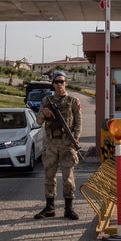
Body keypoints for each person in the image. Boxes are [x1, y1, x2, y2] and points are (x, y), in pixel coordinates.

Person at [34, 71, 82, 220]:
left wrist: (75, 139)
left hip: (67, 144)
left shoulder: (73, 101)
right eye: (57, 82)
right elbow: (38, 122)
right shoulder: (46, 101)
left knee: (68, 178)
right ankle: (49, 208)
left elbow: (78, 122)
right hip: (51, 145)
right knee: (49, 176)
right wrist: (44, 112)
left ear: (66, 83)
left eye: (62, 81)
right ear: (53, 84)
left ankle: (69, 208)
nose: (59, 84)